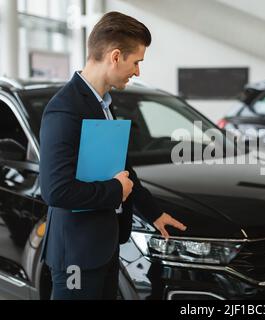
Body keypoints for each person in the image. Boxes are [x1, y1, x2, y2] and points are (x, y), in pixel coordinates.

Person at [39, 11, 187, 300]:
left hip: (103, 248)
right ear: (116, 56)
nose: (138, 72)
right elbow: (56, 191)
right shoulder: (65, 109)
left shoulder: (103, 105)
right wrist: (115, 190)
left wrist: (154, 214)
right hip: (76, 256)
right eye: (137, 62)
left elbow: (123, 169)